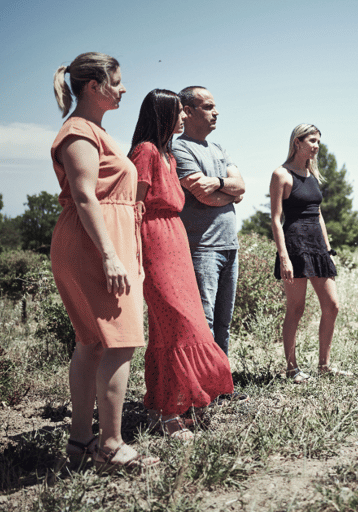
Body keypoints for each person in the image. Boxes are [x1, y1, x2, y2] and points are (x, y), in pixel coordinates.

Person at [51, 52, 159, 472]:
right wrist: (112, 255)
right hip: (94, 243)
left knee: (93, 342)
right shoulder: (79, 131)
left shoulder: (94, 129)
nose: (124, 87)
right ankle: (111, 446)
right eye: (118, 80)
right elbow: (84, 196)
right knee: (120, 339)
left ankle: (81, 444)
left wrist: (129, 253)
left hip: (104, 241)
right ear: (95, 86)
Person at [128, 90, 236, 439]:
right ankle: (166, 411)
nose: (183, 118)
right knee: (177, 325)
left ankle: (172, 404)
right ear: (163, 115)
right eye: (178, 113)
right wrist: (132, 255)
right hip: (154, 242)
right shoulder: (145, 151)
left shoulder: (169, 155)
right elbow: (134, 206)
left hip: (177, 242)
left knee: (177, 328)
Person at [270, 124, 352, 383]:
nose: (317, 146)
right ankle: (292, 368)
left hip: (317, 245)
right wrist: (283, 255)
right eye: (312, 141)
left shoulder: (312, 174)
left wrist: (327, 249)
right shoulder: (281, 174)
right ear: (297, 142)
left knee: (332, 305)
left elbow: (318, 214)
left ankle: (324, 366)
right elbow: (275, 219)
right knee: (296, 308)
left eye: (318, 142)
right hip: (294, 245)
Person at [172, 86, 245, 357]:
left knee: (223, 324)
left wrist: (218, 183)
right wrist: (229, 192)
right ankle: (204, 390)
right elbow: (204, 197)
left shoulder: (218, 148)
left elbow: (241, 186)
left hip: (229, 246)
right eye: (208, 107)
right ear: (187, 111)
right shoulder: (178, 149)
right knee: (205, 321)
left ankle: (222, 385)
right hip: (202, 248)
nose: (216, 112)